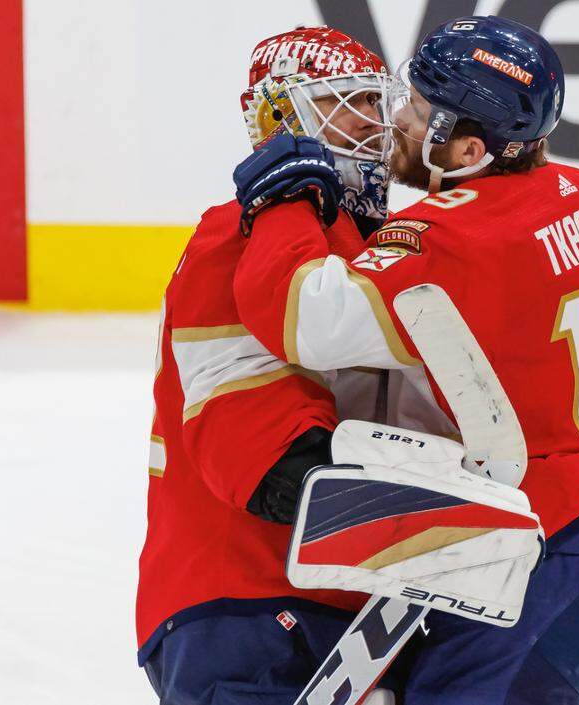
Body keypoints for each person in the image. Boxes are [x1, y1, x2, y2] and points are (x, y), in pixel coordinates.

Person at [231, 16, 579, 705]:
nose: (397, 118)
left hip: (535, 577)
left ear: (470, 148)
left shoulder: (449, 235)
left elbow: (301, 316)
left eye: (419, 110)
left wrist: (284, 197)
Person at [135, 26, 414, 704]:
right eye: (346, 102)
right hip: (244, 604)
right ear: (281, 117)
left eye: (378, 104)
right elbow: (265, 460)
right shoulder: (236, 236)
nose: (374, 125)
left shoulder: (367, 244)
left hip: (349, 606)